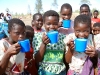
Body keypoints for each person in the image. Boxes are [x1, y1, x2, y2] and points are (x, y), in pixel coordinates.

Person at [32, 10, 67, 75]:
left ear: (58, 23)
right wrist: (43, 44)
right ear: (44, 24)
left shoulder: (63, 38)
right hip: (45, 72)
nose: (52, 27)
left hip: (61, 72)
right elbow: (37, 59)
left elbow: (66, 59)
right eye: (48, 24)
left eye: (55, 24)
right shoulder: (38, 37)